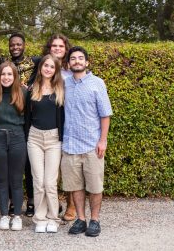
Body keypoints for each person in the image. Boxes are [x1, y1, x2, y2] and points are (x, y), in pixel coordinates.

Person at [61, 47, 112, 237]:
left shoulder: (97, 83)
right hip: (70, 145)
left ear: (87, 62)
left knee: (95, 186)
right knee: (75, 186)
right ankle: (81, 219)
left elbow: (105, 114)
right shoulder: (64, 84)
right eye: (73, 58)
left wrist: (103, 140)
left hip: (92, 145)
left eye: (80, 58)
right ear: (68, 63)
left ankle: (95, 220)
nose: (77, 61)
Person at [26, 54, 65, 233]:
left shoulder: (60, 89)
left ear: (56, 70)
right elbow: (27, 116)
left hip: (53, 139)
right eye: (45, 65)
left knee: (50, 182)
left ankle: (53, 218)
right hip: (34, 137)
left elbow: (63, 116)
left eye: (52, 66)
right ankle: (39, 218)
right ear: (41, 67)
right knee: (38, 181)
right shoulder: (32, 88)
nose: (48, 69)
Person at [39, 33, 75, 221]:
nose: (58, 49)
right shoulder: (46, 68)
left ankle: (71, 204)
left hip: (70, 123)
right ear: (49, 48)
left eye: (61, 46)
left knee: (68, 167)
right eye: (55, 46)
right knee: (51, 171)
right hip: (51, 124)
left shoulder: (71, 71)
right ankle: (54, 204)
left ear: (66, 49)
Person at [0, 62, 28, 231]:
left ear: (15, 76)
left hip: (18, 137)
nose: (6, 77)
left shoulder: (23, 92)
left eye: (9, 74)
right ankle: (4, 215)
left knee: (16, 179)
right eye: (3, 74)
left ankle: (17, 215)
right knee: (1, 179)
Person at [0, 33, 35, 216]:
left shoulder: (34, 63)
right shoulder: (4, 65)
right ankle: (12, 202)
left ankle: (31, 200)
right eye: (12, 44)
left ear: (24, 45)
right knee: (11, 168)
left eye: (19, 44)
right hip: (8, 117)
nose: (15, 47)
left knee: (28, 165)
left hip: (25, 115)